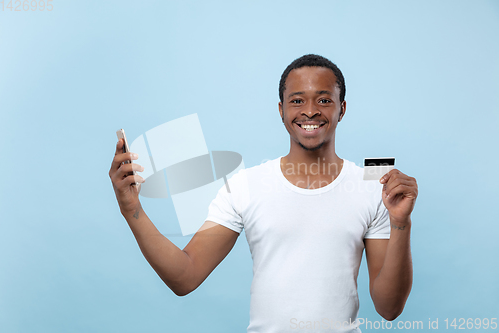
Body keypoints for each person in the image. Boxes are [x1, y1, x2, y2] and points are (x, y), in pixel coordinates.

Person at [109, 54, 418, 332]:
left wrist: (401, 223)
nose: (310, 111)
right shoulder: (246, 186)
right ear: (281, 110)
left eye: (324, 100)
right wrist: (131, 210)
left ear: (342, 109)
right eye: (297, 101)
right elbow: (185, 276)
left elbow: (389, 309)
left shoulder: (371, 189)